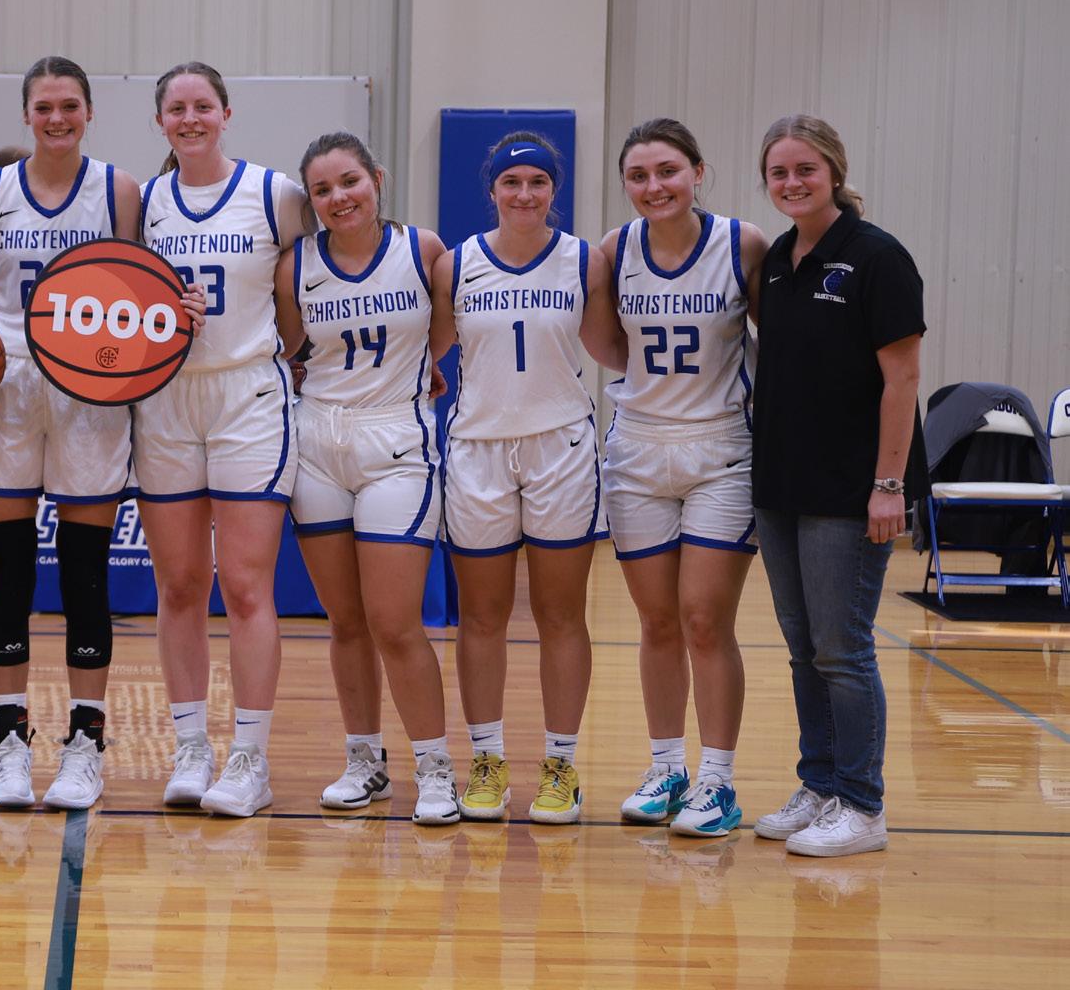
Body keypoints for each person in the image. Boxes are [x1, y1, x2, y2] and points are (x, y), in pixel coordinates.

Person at [0, 56, 143, 810]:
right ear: (26, 114)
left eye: (70, 105)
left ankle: (85, 746)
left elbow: (136, 292)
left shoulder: (119, 190)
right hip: (4, 383)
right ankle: (9, 745)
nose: (57, 118)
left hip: (91, 384)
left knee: (84, 573)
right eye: (44, 106)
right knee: (7, 572)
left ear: (89, 112)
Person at [748, 114, 926, 858]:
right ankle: (820, 785)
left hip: (851, 488)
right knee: (803, 648)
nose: (792, 183)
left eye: (805, 170)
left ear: (834, 173)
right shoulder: (778, 259)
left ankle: (862, 803)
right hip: (782, 482)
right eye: (779, 172)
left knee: (842, 649)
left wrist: (888, 484)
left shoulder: (878, 256)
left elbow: (902, 380)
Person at [136, 62, 308, 818]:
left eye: (203, 105)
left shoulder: (275, 195)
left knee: (243, 586)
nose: (191, 118)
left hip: (247, 396)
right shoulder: (142, 204)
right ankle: (190, 748)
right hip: (165, 400)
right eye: (176, 108)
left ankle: (249, 758)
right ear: (160, 122)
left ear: (227, 113)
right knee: (178, 585)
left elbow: (319, 279)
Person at [277, 131, 459, 823]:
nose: (339, 198)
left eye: (349, 181)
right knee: (346, 621)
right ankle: (363, 760)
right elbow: (290, 349)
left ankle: (435, 768)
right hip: (318, 442)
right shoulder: (296, 266)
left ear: (376, 179)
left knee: (394, 622)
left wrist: (414, 372)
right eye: (322, 190)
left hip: (397, 443)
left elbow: (443, 332)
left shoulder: (425, 251)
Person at [433, 132, 614, 825]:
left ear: (553, 190)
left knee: (560, 615)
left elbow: (611, 346)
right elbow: (426, 349)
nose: (525, 194)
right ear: (493, 191)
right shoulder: (456, 264)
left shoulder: (584, 260)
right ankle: (486, 761)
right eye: (512, 183)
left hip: (559, 446)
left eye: (538, 182)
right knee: (481, 616)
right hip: (478, 447)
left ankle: (561, 765)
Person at [593, 118, 766, 838]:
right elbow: (608, 345)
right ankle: (668, 768)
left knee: (703, 618)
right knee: (657, 621)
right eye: (638, 175)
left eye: (667, 171)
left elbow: (774, 340)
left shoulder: (742, 244)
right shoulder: (615, 250)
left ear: (698, 171)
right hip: (638, 450)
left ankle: (718, 780)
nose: (654, 186)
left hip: (721, 449)